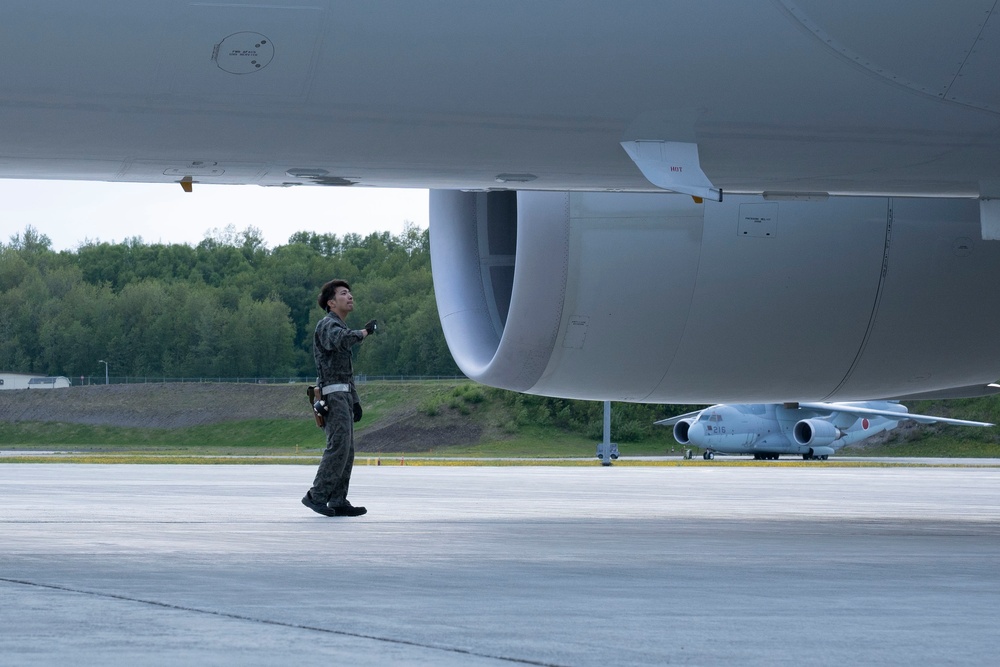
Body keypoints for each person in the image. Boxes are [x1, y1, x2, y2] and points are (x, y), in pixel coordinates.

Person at [302, 279, 377, 517]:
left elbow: (347, 373)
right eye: (344, 293)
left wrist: (355, 401)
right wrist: (364, 332)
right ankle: (316, 495)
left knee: (347, 449)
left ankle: (337, 499)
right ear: (331, 302)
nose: (350, 296)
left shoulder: (338, 326)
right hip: (332, 396)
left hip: (342, 394)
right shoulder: (327, 325)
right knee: (338, 447)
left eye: (350, 293)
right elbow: (342, 339)